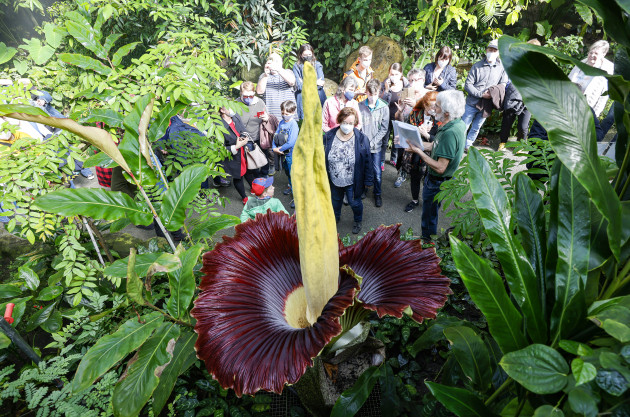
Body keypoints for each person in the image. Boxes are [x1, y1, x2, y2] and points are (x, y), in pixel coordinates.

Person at [406, 90, 466, 241]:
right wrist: (417, 144)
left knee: (429, 215)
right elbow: (435, 145)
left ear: (446, 113)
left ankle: (427, 243)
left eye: (437, 106)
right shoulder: (455, 123)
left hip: (437, 181)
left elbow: (440, 167)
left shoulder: (450, 133)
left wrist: (419, 152)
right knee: (431, 211)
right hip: (437, 179)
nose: (434, 109)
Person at [323, 107, 373, 234]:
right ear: (340, 121)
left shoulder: (362, 139)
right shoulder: (329, 136)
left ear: (355, 123)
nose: (347, 126)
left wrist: (368, 180)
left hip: (353, 179)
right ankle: (335, 218)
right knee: (335, 201)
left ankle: (357, 220)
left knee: (354, 203)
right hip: (334, 179)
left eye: (350, 123)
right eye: (345, 122)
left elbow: (368, 161)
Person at [461, 39, 508, 150]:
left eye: (494, 50)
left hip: (487, 105)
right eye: (490, 49)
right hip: (472, 103)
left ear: (498, 53)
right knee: (463, 126)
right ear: (486, 50)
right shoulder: (477, 66)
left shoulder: (501, 68)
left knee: (476, 127)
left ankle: (468, 145)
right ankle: (459, 145)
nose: (491, 52)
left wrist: (493, 93)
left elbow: (503, 83)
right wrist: (481, 94)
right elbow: (468, 85)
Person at [399, 91, 439, 213]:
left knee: (430, 179)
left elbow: (440, 140)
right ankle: (415, 200)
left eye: (435, 106)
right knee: (415, 176)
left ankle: (431, 203)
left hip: (431, 153)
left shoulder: (439, 117)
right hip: (414, 151)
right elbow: (407, 128)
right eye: (431, 106)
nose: (433, 109)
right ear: (425, 105)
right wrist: (416, 130)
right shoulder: (415, 113)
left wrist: (426, 134)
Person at [499, 39, 541, 151]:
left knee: (523, 126)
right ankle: (503, 142)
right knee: (507, 122)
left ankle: (520, 144)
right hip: (514, 96)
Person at [359, 79, 389, 207]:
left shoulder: (384, 107)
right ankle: (363, 189)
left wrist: (373, 142)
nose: (372, 98)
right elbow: (358, 126)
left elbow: (384, 129)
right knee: (362, 169)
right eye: (370, 95)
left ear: (379, 93)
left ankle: (377, 194)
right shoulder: (360, 106)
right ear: (366, 92)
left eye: (375, 95)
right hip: (362, 146)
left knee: (377, 172)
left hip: (376, 147)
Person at [390, 68, 428, 169]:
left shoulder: (428, 95)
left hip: (421, 135)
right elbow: (399, 118)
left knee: (417, 166)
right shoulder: (406, 92)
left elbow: (432, 116)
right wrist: (400, 111)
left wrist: (416, 105)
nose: (411, 83)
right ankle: (401, 173)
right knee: (401, 160)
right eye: (410, 80)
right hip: (405, 133)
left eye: (415, 80)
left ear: (423, 80)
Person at [568, 40, 614, 118]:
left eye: (596, 53)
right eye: (590, 52)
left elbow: (603, 97)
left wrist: (594, 115)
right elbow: (568, 80)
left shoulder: (607, 70)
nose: (592, 55)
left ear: (603, 54)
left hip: (586, 109)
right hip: (568, 102)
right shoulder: (582, 63)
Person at [218, 105, 254, 205]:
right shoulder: (217, 125)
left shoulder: (235, 116)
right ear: (222, 110)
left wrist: (243, 137)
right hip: (232, 155)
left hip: (243, 151)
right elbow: (219, 149)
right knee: (238, 176)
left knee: (248, 170)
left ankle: (253, 188)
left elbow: (243, 130)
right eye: (229, 107)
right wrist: (236, 146)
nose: (232, 110)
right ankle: (244, 197)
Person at [237, 81, 272, 175]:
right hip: (245, 137)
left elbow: (267, 117)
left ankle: (265, 174)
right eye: (245, 96)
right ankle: (255, 177)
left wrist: (266, 118)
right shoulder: (236, 103)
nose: (248, 98)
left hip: (259, 135)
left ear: (254, 93)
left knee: (264, 155)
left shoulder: (260, 102)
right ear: (241, 93)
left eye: (250, 96)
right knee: (251, 158)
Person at [379, 63, 409, 169]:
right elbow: (381, 102)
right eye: (392, 74)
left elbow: (406, 103)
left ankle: (394, 159)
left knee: (397, 139)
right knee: (384, 140)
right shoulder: (384, 84)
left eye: (396, 74)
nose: (393, 76)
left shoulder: (405, 85)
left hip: (399, 116)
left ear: (401, 74)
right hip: (386, 116)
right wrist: (386, 90)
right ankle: (381, 160)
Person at [272, 100, 299, 208]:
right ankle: (290, 186)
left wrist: (280, 148)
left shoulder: (293, 124)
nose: (284, 116)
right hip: (282, 153)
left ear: (292, 112)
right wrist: (274, 148)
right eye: (283, 113)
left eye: (287, 114)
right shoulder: (282, 122)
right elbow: (276, 135)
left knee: (293, 174)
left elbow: (291, 142)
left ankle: (296, 196)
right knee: (287, 172)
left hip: (290, 154)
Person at [257, 53, 296, 120]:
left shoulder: (288, 72)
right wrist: (266, 75)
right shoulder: (263, 76)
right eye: (271, 61)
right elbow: (259, 92)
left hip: (288, 115)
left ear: (281, 63)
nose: (273, 64)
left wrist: (278, 69)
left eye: (276, 61)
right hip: (270, 117)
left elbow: (292, 82)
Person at [293, 44, 327, 120]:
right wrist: (315, 82)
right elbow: (299, 86)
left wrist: (304, 82)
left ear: (312, 54)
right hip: (302, 96)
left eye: (309, 54)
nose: (308, 56)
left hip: (317, 94)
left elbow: (320, 84)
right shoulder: (296, 66)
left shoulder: (317, 65)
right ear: (301, 55)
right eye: (305, 55)